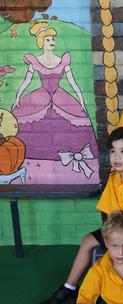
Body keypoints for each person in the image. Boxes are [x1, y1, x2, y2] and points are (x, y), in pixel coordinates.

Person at [39, 127, 123, 304]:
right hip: (121, 226)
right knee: (87, 241)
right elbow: (109, 212)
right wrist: (113, 234)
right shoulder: (114, 178)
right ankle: (69, 288)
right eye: (113, 151)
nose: (117, 157)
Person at [11, 21, 99, 183]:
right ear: (42, 42)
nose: (52, 42)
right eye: (48, 39)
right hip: (41, 96)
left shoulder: (63, 60)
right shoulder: (35, 60)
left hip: (60, 96)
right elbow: (27, 81)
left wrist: (81, 101)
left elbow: (73, 83)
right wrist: (17, 98)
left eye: (53, 39)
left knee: (72, 124)